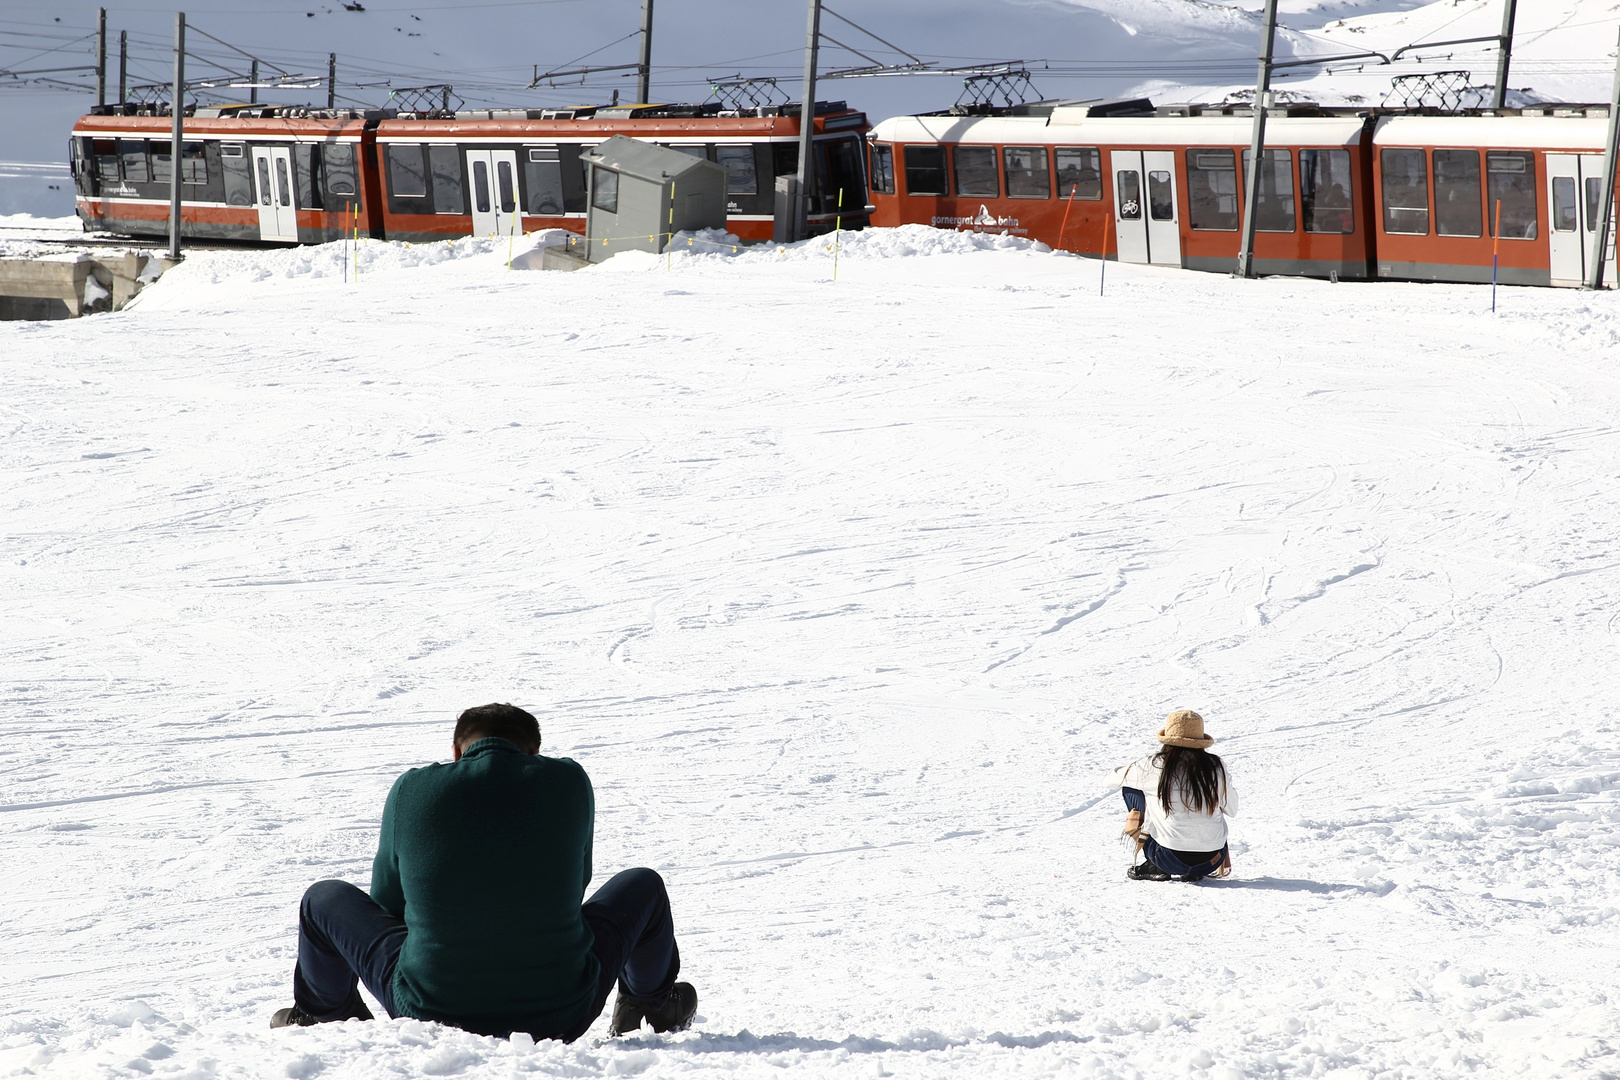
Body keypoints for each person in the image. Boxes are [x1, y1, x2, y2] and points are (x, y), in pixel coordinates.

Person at [269, 703, 697, 1041]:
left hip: (429, 1010)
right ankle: (652, 1004)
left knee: (323, 898)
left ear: (456, 752)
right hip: (564, 1010)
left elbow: (388, 903)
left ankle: (325, 1017)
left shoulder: (411, 789)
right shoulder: (568, 780)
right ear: (534, 753)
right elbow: (577, 881)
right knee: (643, 885)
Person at [1111, 709, 1237, 883]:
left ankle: (1155, 866)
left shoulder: (1153, 764)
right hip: (1211, 860)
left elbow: (1111, 778)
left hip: (1166, 858)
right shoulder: (1216, 767)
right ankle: (1194, 865)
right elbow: (1232, 809)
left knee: (1131, 789)